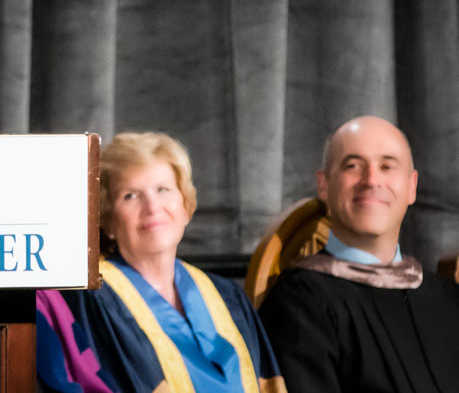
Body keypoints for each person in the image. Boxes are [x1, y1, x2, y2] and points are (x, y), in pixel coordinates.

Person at [37, 132, 285, 393]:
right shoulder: (95, 298)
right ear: (109, 220)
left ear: (185, 205)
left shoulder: (228, 296)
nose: (152, 206)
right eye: (130, 196)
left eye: (163, 190)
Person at [258, 116, 459, 393]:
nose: (371, 180)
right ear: (324, 184)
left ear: (412, 186)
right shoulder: (299, 305)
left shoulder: (448, 298)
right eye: (352, 166)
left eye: (387, 166)